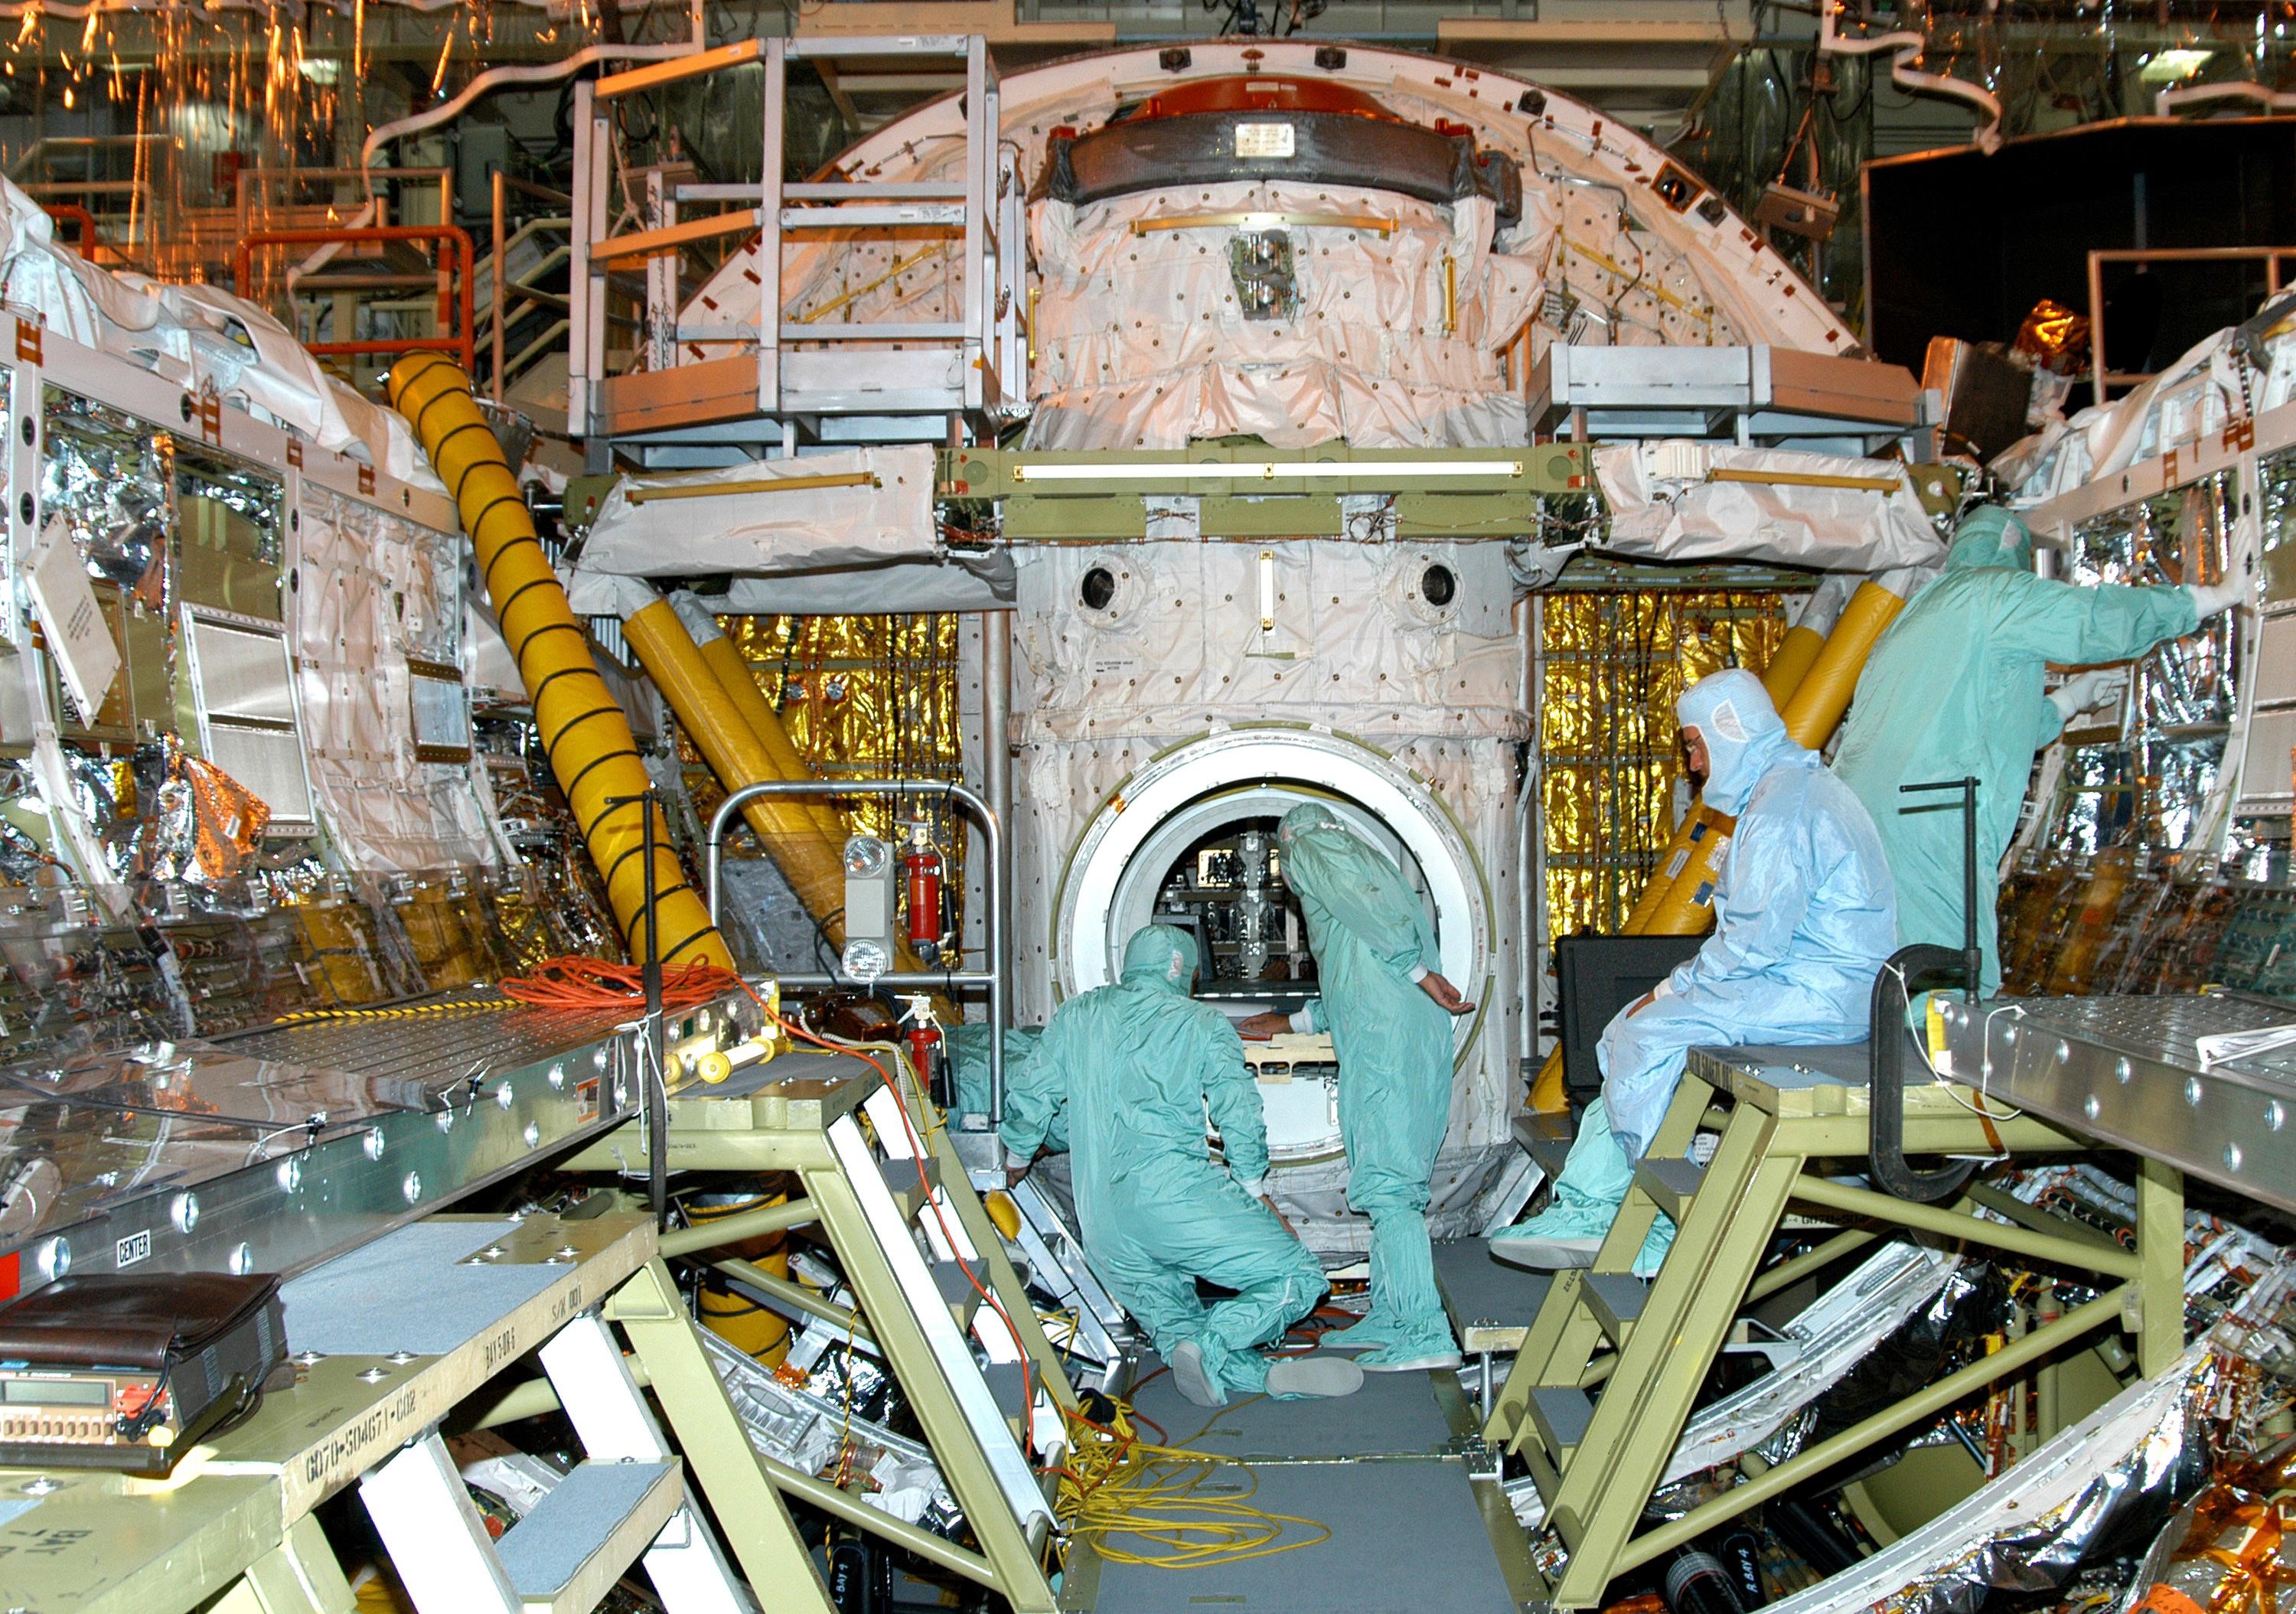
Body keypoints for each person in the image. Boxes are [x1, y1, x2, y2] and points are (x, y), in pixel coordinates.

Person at [1492, 669, 1896, 1274]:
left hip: (1817, 992)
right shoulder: (1791, 790)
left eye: (1695, 743)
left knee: (1641, 1033)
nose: (1694, 763)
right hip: (1812, 982)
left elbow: (1752, 942)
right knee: (1625, 1034)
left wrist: (1669, 988)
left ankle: (1650, 1218)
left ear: (1732, 730)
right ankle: (1590, 1199)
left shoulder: (1783, 807)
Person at [1831, 506, 2242, 999]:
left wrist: (2069, 702)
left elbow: (1975, 724)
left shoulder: (1917, 615)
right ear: (2014, 551)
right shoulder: (1994, 593)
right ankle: (1936, 1068)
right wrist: (2205, 600)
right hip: (1931, 818)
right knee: (1950, 976)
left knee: (1897, 961)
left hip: (1869, 813)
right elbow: (2089, 621)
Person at [1002, 924, 1361, 1408]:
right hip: (1172, 1203)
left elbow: (1033, 1089)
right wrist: (1256, 1193)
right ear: (1183, 972)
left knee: (1177, 1324)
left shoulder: (1079, 1014)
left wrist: (1017, 1156)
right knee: (1297, 1277)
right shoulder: (1201, 1024)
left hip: (1102, 1228)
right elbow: (1239, 1110)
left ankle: (1259, 1376)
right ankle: (1214, 1345)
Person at [1238, 803, 1477, 1374]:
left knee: (1390, 1186)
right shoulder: (1373, 860)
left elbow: (1384, 945)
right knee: (1393, 1183)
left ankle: (1423, 1329)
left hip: (1385, 1044)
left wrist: (1422, 973)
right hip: (1402, 1034)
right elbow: (1362, 977)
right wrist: (1291, 1021)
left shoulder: (1313, 849)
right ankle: (1394, 1312)